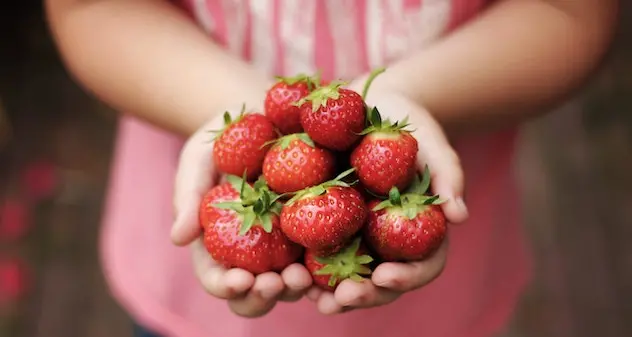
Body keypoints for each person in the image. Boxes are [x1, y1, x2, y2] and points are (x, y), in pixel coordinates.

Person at [45, 1, 618, 336]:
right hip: (192, 295)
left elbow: (569, 12)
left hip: (442, 302)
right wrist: (244, 104)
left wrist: (407, 93)